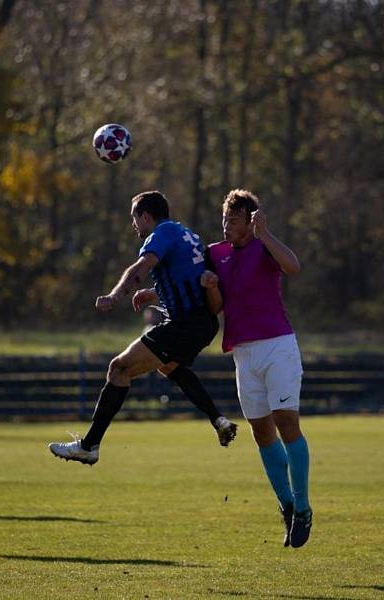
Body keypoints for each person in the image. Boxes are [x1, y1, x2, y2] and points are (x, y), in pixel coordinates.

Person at [48, 190, 238, 466]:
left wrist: (114, 295)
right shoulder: (188, 235)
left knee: (118, 368)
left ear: (146, 216)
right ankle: (218, 420)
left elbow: (140, 267)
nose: (134, 225)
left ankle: (88, 446)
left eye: (134, 218)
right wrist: (154, 293)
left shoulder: (160, 234)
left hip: (183, 324)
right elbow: (188, 278)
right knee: (170, 366)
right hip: (204, 324)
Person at [201, 189, 312, 548]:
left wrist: (265, 233)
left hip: (278, 345)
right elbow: (215, 308)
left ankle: (305, 508)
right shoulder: (215, 255)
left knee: (286, 421)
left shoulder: (265, 245)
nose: (226, 226)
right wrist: (210, 287)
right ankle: (287, 505)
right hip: (243, 354)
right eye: (224, 220)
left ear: (250, 221)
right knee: (262, 432)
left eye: (233, 220)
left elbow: (293, 266)